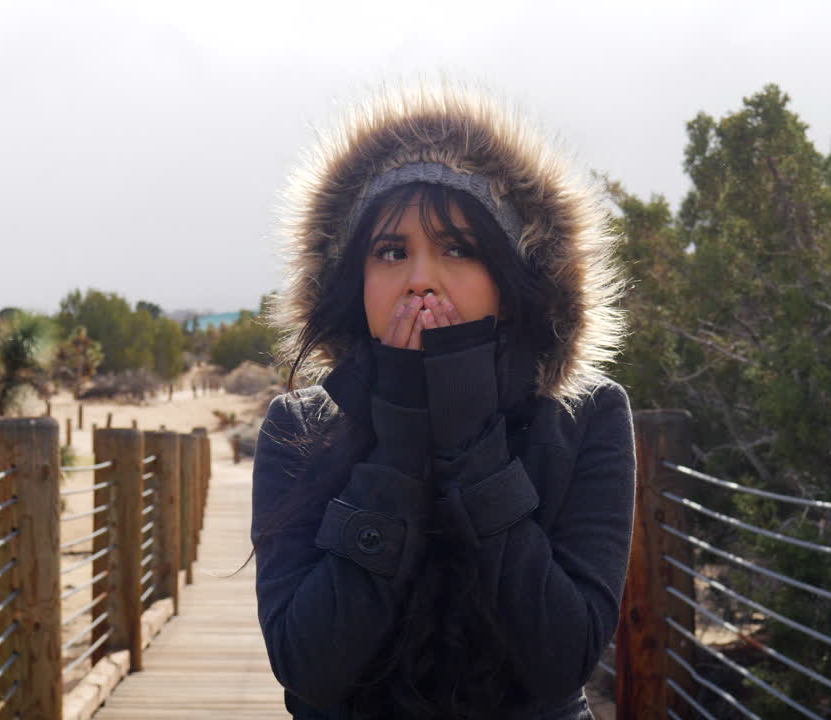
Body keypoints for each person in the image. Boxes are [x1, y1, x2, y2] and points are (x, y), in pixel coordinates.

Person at [249, 82, 637, 720]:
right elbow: (308, 668)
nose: (420, 278)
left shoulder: (583, 419)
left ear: (512, 283)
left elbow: (562, 659)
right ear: (356, 280)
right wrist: (398, 447)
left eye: (458, 248)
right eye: (391, 252)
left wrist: (470, 443)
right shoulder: (300, 429)